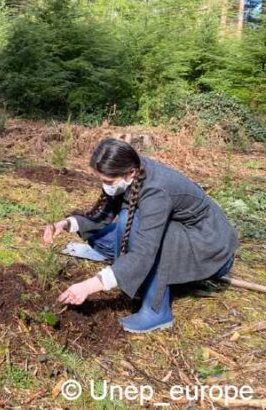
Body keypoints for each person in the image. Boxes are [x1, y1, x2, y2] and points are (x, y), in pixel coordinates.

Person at [43, 138, 238, 333]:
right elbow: (104, 215)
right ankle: (136, 277)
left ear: (130, 173)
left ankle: (156, 311)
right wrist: (67, 223)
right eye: (101, 180)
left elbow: (145, 251)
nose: (105, 186)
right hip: (185, 235)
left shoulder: (155, 190)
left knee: (133, 220)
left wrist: (91, 285)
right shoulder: (130, 170)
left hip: (209, 246)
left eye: (108, 181)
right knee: (106, 231)